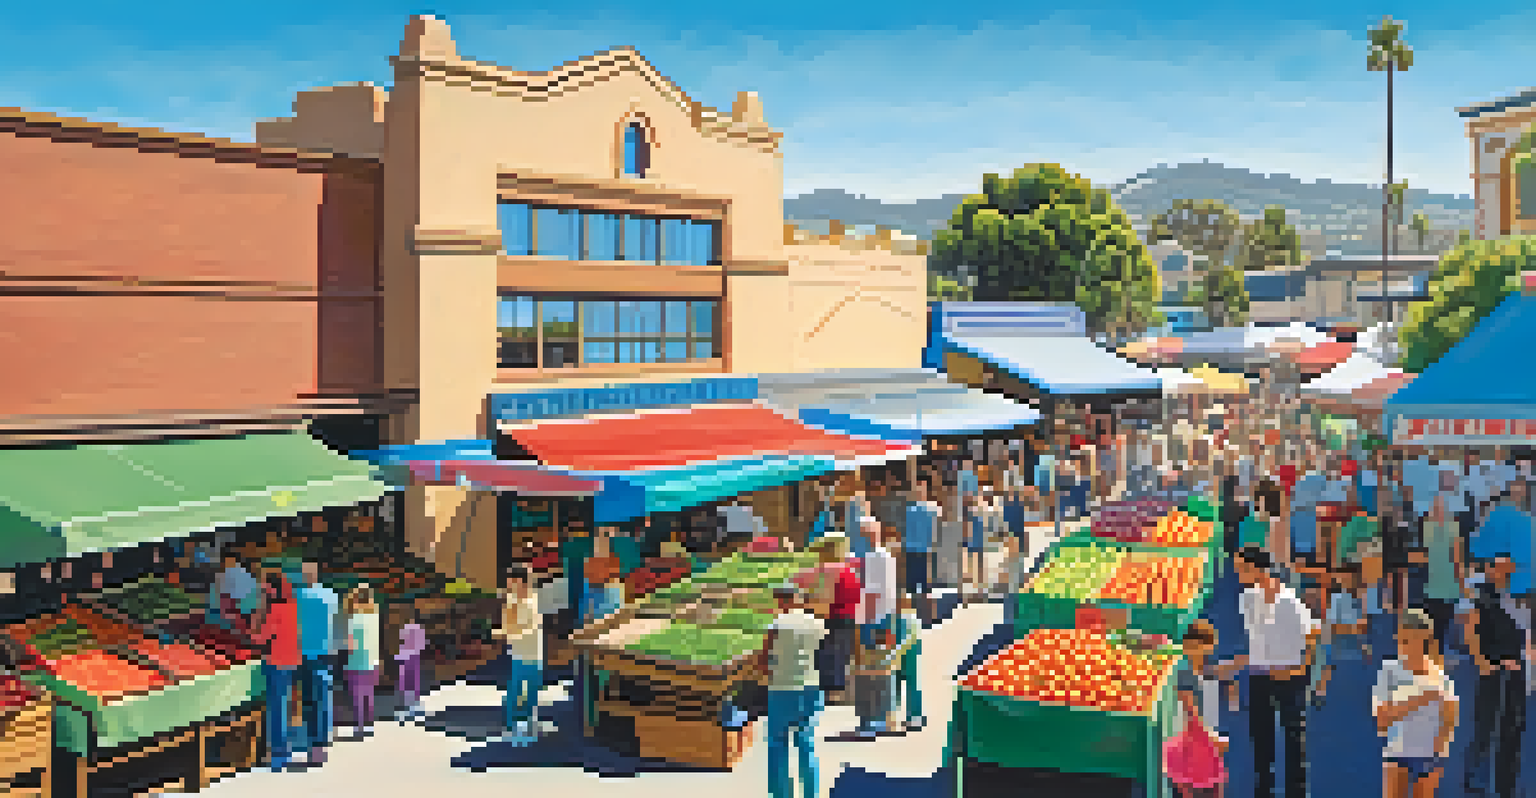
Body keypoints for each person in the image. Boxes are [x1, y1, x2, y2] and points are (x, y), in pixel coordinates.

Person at [1219, 546, 1319, 798]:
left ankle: (1297, 793)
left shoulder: (1289, 601)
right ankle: (1264, 790)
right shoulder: (1247, 599)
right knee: (1261, 738)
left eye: (1242, 567)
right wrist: (1240, 664)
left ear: (1256, 568)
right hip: (1260, 677)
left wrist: (1300, 670)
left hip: (1290, 678)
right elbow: (1257, 642)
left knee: (1294, 738)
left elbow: (1312, 635)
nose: (1238, 573)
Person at [1459, 554, 1530, 798]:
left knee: (1512, 727)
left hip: (1517, 669)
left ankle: (1505, 785)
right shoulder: (1480, 594)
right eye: (1498, 565)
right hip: (1493, 669)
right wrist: (1483, 662)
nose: (1503, 570)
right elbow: (1470, 631)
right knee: (1486, 726)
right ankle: (1475, 778)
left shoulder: (1521, 593)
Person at [1373, 609, 1457, 798]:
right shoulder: (1389, 671)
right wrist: (1419, 700)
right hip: (1396, 755)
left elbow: (1449, 721)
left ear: (1423, 639)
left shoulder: (1441, 678)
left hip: (1430, 759)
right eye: (1400, 640)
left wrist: (1438, 754)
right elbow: (1381, 722)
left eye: (1408, 640)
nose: (1402, 646)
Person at [763, 584, 826, 798]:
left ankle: (782, 794)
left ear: (782, 600)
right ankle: (812, 794)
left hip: (781, 687)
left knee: (778, 745)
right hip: (810, 686)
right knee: (806, 743)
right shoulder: (817, 623)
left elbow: (764, 657)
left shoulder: (777, 624)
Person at [1165, 619, 1230, 798]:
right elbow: (1191, 711)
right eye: (1190, 647)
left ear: (1210, 646)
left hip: (1206, 748)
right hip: (1188, 750)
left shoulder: (1207, 672)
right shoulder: (1184, 674)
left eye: (1198, 646)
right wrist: (1212, 738)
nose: (1193, 652)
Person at [250, 572, 301, 771]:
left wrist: (258, 612)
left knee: (276, 708)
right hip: (291, 660)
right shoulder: (293, 607)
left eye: (264, 588)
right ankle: (284, 750)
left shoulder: (275, 610)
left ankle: (278, 754)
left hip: (276, 661)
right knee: (284, 705)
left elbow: (260, 638)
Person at [293, 561, 340, 765]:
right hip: (327, 651)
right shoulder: (331, 596)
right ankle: (325, 735)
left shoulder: (297, 597)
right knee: (325, 694)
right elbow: (337, 623)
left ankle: (316, 745)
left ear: (303, 576)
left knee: (310, 700)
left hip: (304, 652)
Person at [493, 566, 544, 743]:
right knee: (516, 689)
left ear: (521, 583)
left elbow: (528, 627)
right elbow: (509, 625)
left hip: (533, 652)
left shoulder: (532, 601)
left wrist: (507, 633)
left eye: (512, 583)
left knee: (530, 689)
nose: (509, 586)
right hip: (520, 653)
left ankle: (528, 724)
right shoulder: (514, 601)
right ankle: (513, 725)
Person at [1420, 494, 1464, 659]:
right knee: (1441, 626)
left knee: (1434, 625)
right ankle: (1437, 657)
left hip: (1437, 586)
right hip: (1442, 586)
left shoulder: (1428, 528)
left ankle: (1433, 657)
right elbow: (1457, 559)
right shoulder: (1452, 528)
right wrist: (1462, 584)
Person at [1315, 566, 1366, 703]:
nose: (1345, 580)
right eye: (1342, 577)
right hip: (1340, 654)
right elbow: (1333, 627)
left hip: (1360, 656)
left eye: (1348, 576)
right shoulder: (1337, 599)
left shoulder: (1367, 597)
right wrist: (1354, 628)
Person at [341, 586, 380, 737]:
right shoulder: (374, 616)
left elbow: (350, 643)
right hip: (372, 660)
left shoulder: (353, 618)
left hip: (356, 661)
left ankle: (360, 725)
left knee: (357, 696)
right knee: (369, 695)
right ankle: (369, 725)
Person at [904, 484, 940, 623]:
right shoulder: (931, 510)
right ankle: (928, 616)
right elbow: (933, 531)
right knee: (926, 585)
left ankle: (913, 617)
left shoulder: (910, 510)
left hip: (912, 550)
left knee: (913, 585)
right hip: (925, 550)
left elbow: (908, 531)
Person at [213, 552, 260, 634]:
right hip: (246, 607)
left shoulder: (231, 573)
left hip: (239, 606)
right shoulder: (242, 572)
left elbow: (225, 592)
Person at [394, 621, 426, 723]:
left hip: (407, 658)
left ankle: (410, 707)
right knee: (413, 684)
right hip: (413, 657)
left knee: (407, 684)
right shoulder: (417, 630)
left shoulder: (408, 631)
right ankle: (413, 707)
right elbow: (422, 645)